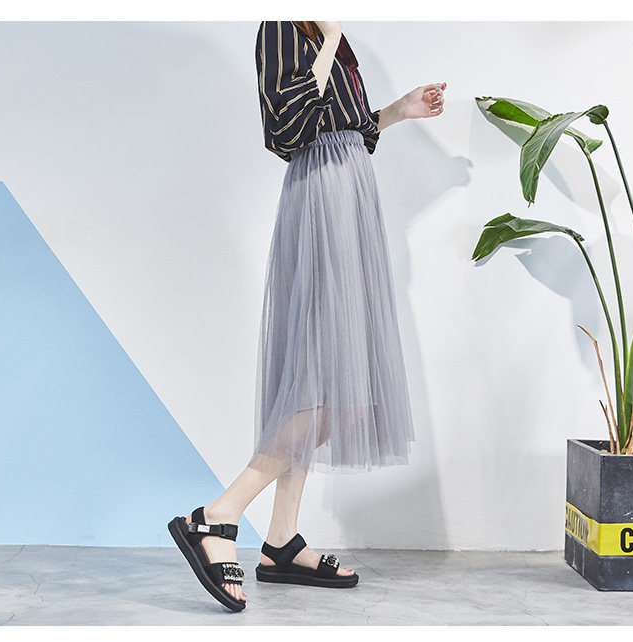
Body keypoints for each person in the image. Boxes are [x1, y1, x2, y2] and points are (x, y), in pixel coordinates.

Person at [168, 20, 446, 612]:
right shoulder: (283, 25)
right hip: (322, 195)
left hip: (350, 190)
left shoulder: (325, 34)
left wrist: (399, 110)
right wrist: (331, 36)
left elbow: (347, 126)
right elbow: (289, 130)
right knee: (333, 384)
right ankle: (217, 515)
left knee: (324, 380)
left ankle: (280, 541)